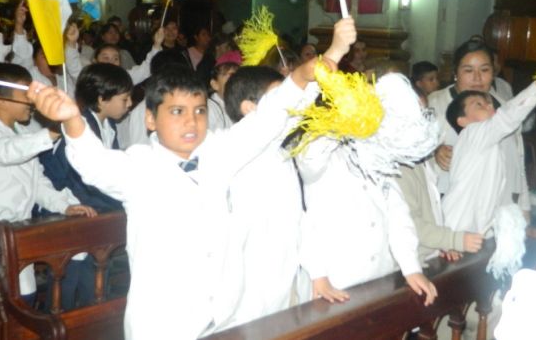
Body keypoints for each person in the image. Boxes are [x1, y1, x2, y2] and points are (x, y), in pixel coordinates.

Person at [27, 18, 357, 339]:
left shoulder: (219, 151)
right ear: (150, 119)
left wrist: (311, 68)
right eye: (177, 112)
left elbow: (268, 118)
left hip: (224, 316)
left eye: (199, 111)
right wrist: (72, 120)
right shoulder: (140, 167)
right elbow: (93, 163)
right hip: (165, 324)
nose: (191, 122)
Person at [0, 63, 95, 340]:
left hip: (15, 236)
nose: (31, 100)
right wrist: (52, 131)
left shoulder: (20, 135)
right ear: (1, 100)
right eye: (25, 93)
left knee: (22, 301)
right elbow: (6, 152)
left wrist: (63, 205)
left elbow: (38, 184)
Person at [295, 72, 438, 307]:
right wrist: (318, 273)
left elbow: (398, 214)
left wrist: (411, 267)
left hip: (380, 274)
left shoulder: (378, 152)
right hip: (334, 279)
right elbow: (303, 219)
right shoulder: (317, 150)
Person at [219, 65, 311, 327]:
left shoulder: (280, 151)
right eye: (277, 98)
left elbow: (298, 218)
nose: (291, 107)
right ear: (250, 109)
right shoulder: (237, 149)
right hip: (255, 282)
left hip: (287, 271)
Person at [39, 63, 132, 309]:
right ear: (102, 99)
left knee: (94, 280)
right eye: (124, 98)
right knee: (67, 282)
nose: (130, 103)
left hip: (93, 217)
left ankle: (89, 320)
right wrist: (115, 204)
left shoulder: (108, 126)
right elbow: (74, 178)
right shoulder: (79, 127)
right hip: (70, 212)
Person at [442, 57, 536, 234]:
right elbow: (510, 114)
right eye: (479, 105)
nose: (488, 106)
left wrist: (523, 221)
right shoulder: (472, 134)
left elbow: (511, 182)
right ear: (462, 121)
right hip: (458, 231)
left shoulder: (488, 141)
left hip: (478, 232)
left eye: (488, 103)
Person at [428, 39, 531, 217]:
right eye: (468, 70)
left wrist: (524, 208)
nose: (477, 78)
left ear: (493, 72)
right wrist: (434, 153)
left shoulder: (505, 107)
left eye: (484, 70)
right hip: (450, 204)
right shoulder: (435, 104)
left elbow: (517, 162)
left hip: (500, 204)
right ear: (455, 73)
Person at [207, 52, 241, 131]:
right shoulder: (210, 108)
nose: (239, 82)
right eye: (232, 77)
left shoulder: (242, 103)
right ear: (215, 84)